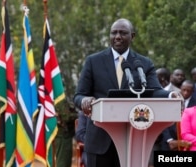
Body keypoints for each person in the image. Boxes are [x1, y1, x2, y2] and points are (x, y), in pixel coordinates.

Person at [73, 18, 177, 167]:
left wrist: (170, 95)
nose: (117, 37)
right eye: (113, 33)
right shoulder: (93, 61)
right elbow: (78, 95)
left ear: (132, 36)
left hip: (133, 140)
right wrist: (84, 100)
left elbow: (154, 90)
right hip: (100, 141)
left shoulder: (143, 63)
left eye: (123, 33)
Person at [161, 80, 196, 151]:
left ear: (192, 92)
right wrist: (169, 140)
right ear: (180, 89)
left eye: (188, 91)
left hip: (190, 143)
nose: (185, 93)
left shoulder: (194, 102)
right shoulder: (171, 100)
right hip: (170, 137)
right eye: (184, 90)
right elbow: (164, 120)